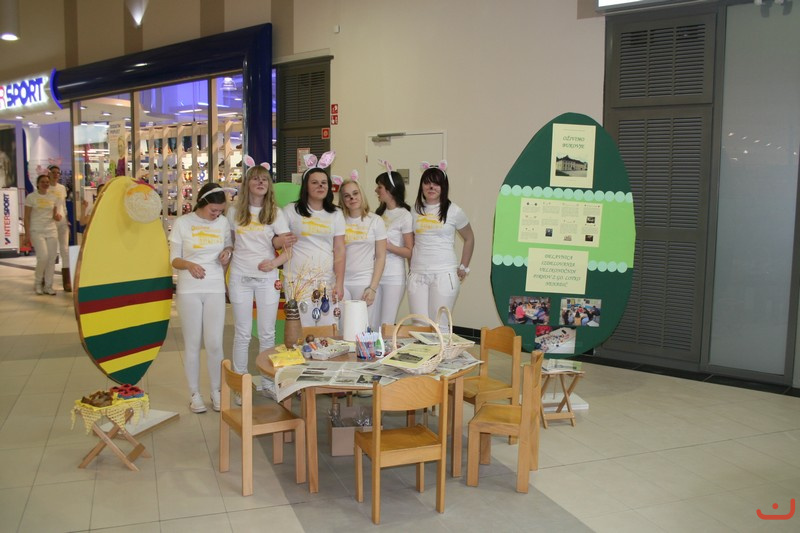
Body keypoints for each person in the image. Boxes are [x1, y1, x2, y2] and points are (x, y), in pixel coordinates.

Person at [169, 182, 233, 413]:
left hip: (215, 286)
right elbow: (174, 259)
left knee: (215, 342)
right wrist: (189, 265)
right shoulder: (182, 223)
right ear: (202, 203)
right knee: (193, 343)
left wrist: (227, 252)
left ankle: (217, 391)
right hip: (189, 289)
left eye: (220, 211)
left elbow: (229, 246)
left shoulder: (223, 223)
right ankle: (194, 394)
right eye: (213, 210)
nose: (216, 215)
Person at [227, 159, 291, 377]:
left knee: (267, 333)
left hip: (267, 279)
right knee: (242, 333)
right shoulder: (234, 212)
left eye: (264, 179)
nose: (260, 182)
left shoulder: (276, 213)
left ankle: (267, 381)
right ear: (247, 184)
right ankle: (240, 381)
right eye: (255, 178)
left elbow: (289, 250)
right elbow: (230, 243)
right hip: (240, 277)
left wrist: (273, 263)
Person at [279, 152, 345, 327]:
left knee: (328, 330)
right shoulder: (290, 210)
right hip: (296, 280)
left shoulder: (336, 213)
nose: (320, 186)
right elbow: (278, 241)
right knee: (301, 330)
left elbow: (339, 251)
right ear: (305, 187)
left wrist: (339, 283)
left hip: (326, 280)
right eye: (314, 182)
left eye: (324, 182)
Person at [407, 161, 475, 329]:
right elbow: (411, 242)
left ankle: (443, 348)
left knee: (440, 326)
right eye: (427, 183)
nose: (431, 187)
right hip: (417, 275)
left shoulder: (454, 211)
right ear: (421, 186)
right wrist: (411, 267)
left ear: (443, 187)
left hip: (444, 275)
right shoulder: (414, 210)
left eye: (436, 183)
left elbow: (469, 238)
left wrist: (464, 266)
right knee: (419, 325)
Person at [338, 176, 387, 328]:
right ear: (342, 200)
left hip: (365, 282)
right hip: (342, 283)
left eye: (355, 193)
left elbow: (380, 257)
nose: (352, 198)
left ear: (361, 194)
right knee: (344, 330)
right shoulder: (338, 221)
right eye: (347, 196)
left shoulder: (376, 221)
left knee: (365, 330)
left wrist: (372, 287)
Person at [372, 164, 413, 330]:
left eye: (379, 187)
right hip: (375, 274)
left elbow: (409, 251)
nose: (376, 190)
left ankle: (385, 347)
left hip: (393, 276)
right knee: (372, 322)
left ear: (390, 189)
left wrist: (387, 246)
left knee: (386, 324)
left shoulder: (405, 215)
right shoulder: (378, 214)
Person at [22, 174, 60, 295]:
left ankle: (48, 286)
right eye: (42, 182)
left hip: (51, 230)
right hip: (37, 230)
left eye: (47, 182)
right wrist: (27, 234)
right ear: (38, 184)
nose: (45, 184)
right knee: (43, 257)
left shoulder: (53, 197)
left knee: (51, 258)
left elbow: (54, 215)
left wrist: (58, 217)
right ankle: (38, 283)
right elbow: (26, 217)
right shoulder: (31, 197)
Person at [48, 165, 72, 292]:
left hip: (62, 222)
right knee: (51, 252)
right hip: (50, 223)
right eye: (53, 172)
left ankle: (67, 282)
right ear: (49, 173)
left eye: (58, 172)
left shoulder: (62, 188)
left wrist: (66, 220)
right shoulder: (45, 188)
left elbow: (63, 205)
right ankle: (47, 280)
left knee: (65, 250)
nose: (56, 175)